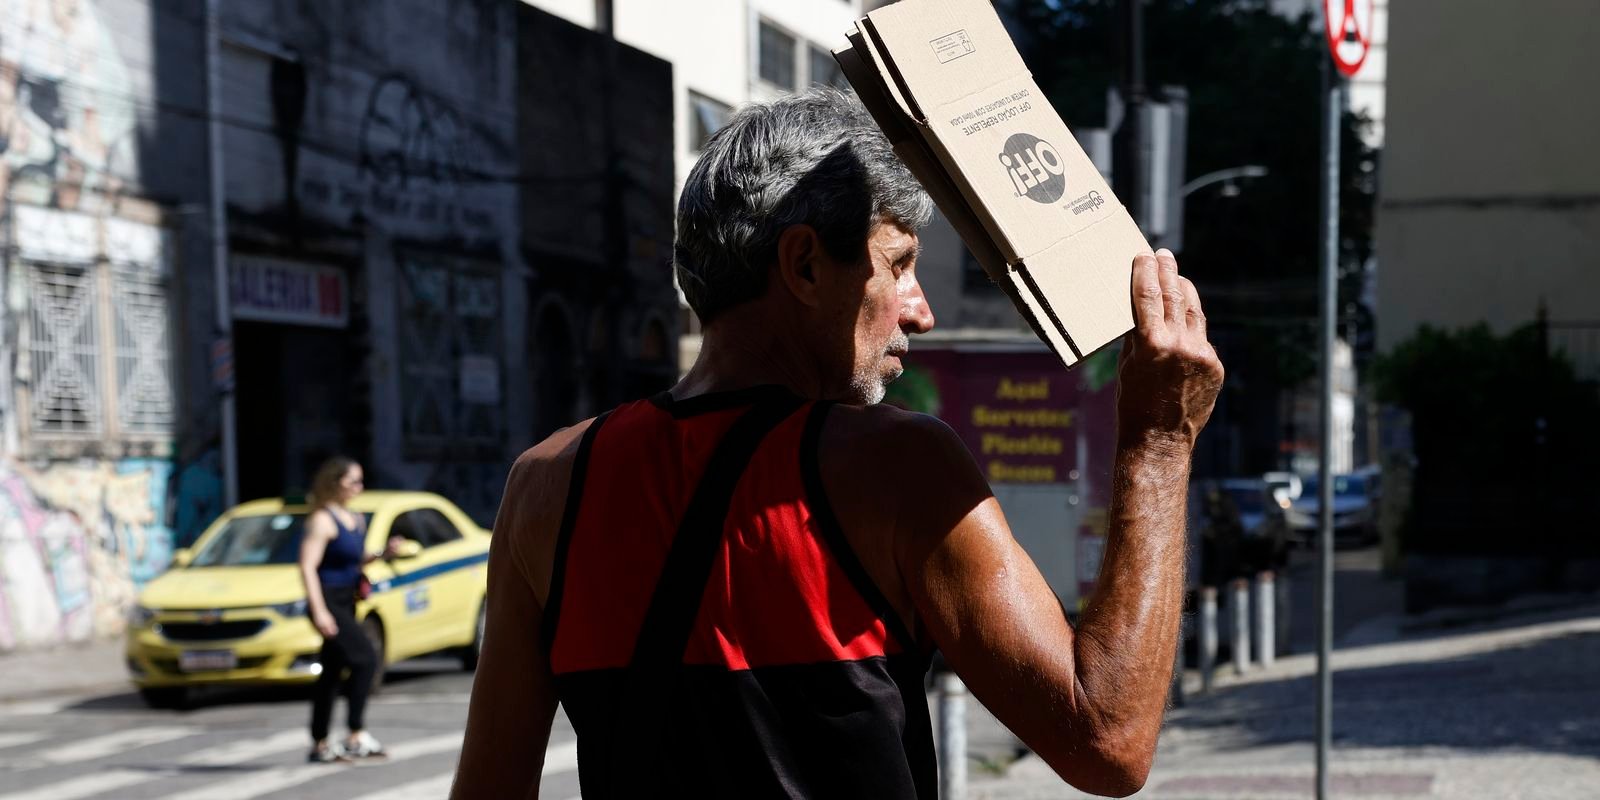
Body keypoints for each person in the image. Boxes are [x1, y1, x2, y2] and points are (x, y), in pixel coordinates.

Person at [452, 88, 1223, 798]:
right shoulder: (897, 469)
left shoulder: (548, 483)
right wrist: (1159, 441)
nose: (917, 312)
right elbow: (1108, 740)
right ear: (805, 264)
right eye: (900, 265)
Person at [297, 456, 402, 763]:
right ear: (335, 482)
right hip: (327, 601)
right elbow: (307, 566)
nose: (360, 486)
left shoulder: (355, 519)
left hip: (347, 600)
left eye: (360, 480)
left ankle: (320, 743)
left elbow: (352, 561)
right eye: (353, 481)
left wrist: (382, 554)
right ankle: (355, 734)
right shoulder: (322, 520)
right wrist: (320, 611)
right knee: (366, 659)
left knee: (330, 672)